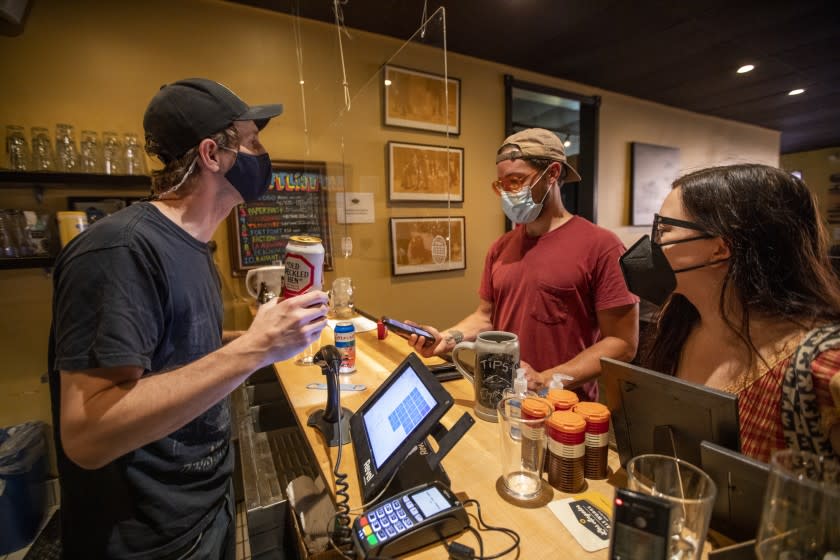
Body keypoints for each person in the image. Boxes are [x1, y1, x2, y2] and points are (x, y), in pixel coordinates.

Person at [48, 78, 329, 559]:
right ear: (212, 154)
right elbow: (87, 434)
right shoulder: (120, 250)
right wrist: (255, 348)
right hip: (150, 543)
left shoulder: (194, 246)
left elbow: (167, 347)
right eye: (253, 141)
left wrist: (258, 338)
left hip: (204, 511)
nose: (264, 155)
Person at [621, 163, 840, 461]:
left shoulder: (823, 370)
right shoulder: (679, 323)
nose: (653, 243)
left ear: (720, 248)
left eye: (664, 229)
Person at [408, 128, 639, 400]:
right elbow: (486, 316)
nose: (508, 192)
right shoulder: (501, 248)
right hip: (503, 399)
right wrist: (445, 340)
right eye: (502, 184)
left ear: (552, 174)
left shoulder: (602, 246)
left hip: (565, 408)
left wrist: (546, 378)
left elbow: (622, 344)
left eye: (516, 180)